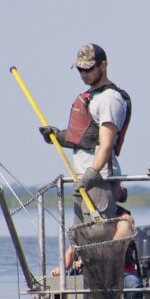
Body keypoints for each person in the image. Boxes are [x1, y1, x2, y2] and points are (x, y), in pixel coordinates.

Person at [38, 43, 132, 225]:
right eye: (80, 69)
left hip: (99, 179)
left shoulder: (109, 98)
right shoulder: (91, 96)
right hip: (81, 179)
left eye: (88, 69)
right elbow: (84, 139)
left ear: (103, 65)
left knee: (98, 237)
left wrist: (92, 173)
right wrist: (56, 136)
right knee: (82, 239)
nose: (83, 74)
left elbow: (105, 144)